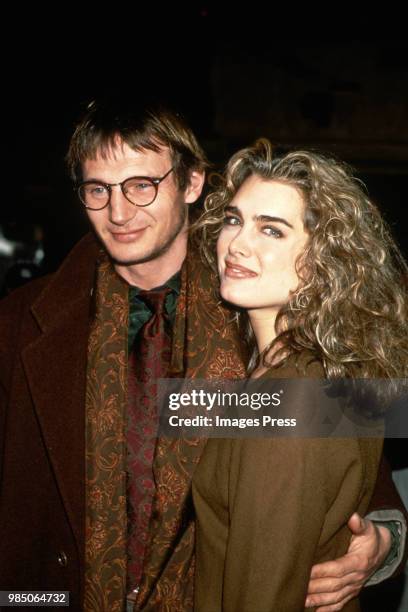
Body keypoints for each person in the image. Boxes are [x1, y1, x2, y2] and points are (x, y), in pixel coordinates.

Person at [0, 101, 405, 612]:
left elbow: (350, 442)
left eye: (142, 185)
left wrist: (385, 540)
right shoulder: (19, 324)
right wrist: (22, 601)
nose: (119, 212)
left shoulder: (256, 299)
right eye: (98, 190)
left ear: (191, 184)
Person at [192, 139, 408, 611]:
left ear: (321, 261)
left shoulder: (291, 398)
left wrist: (390, 536)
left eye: (272, 230)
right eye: (234, 219)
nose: (238, 243)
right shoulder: (311, 368)